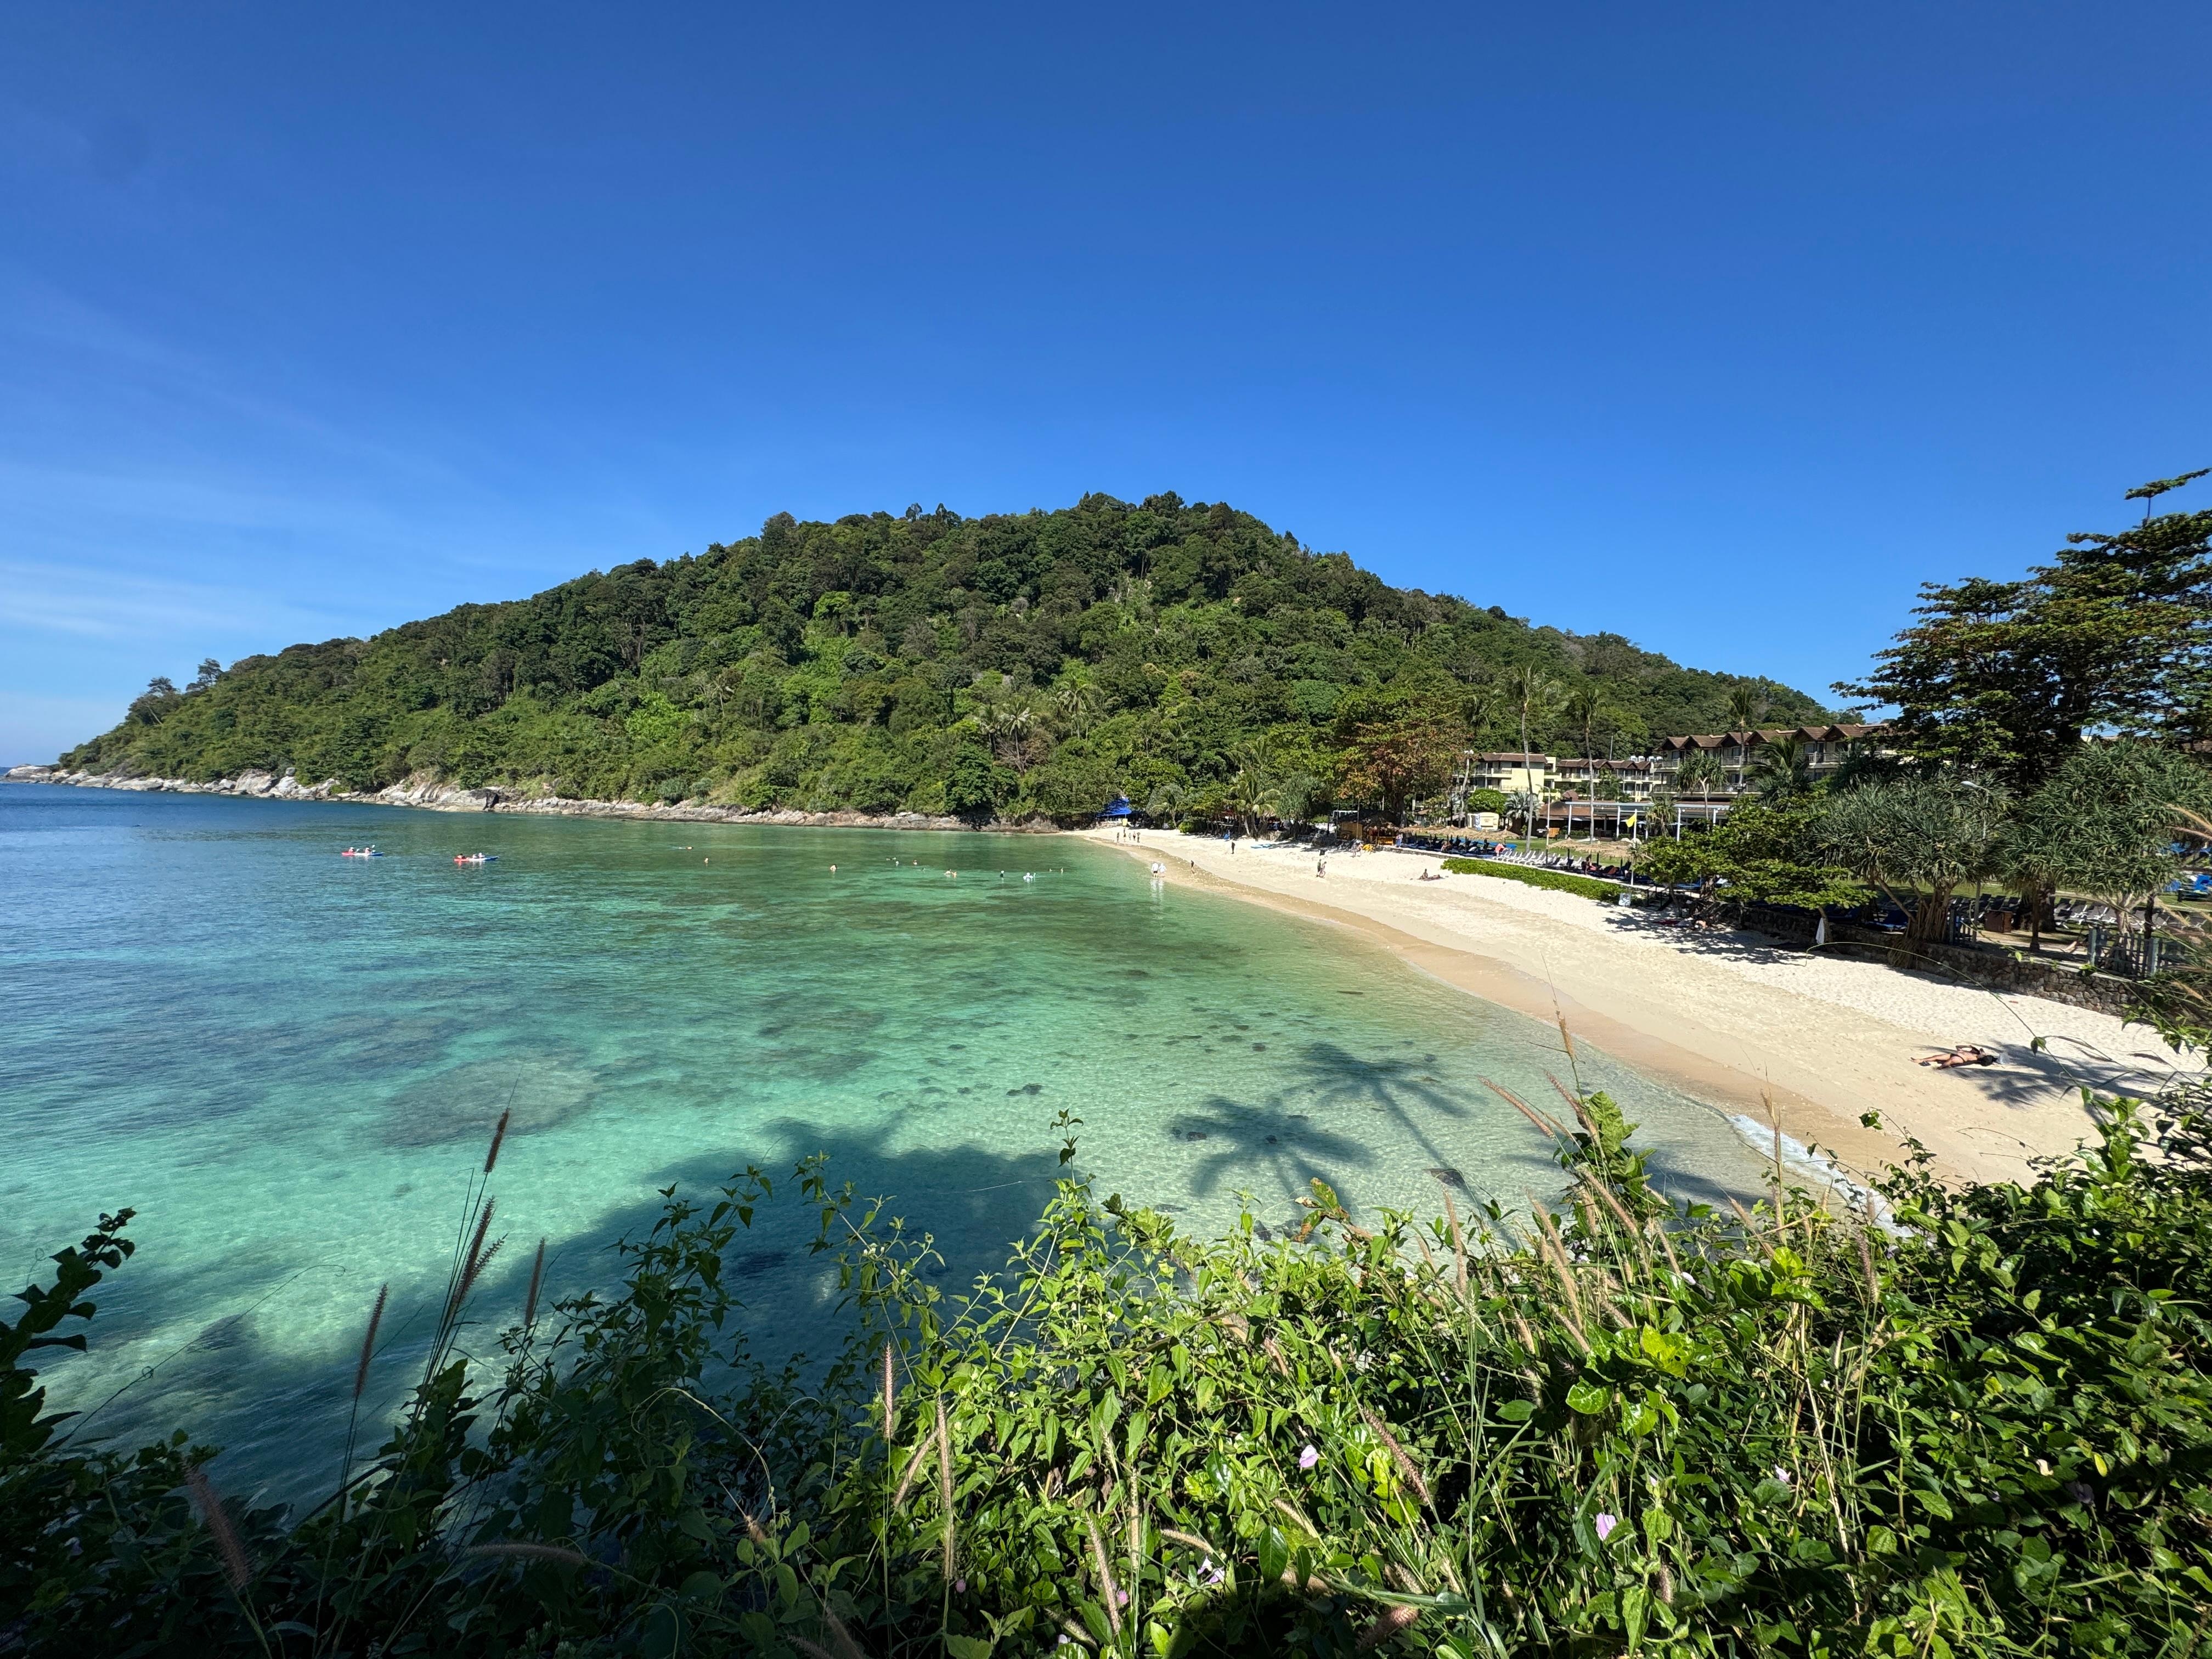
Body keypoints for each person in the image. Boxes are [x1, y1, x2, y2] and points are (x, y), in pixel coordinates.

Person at [1916, 1044, 1997, 1069]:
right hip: (1955, 1055)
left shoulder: (1977, 1057)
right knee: (1937, 1056)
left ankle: (1940, 1068)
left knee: (1952, 1060)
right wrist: (1967, 1046)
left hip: (1960, 1059)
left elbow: (1982, 1054)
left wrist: (1981, 1053)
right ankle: (1921, 1060)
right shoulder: (1967, 1052)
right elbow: (1957, 1047)